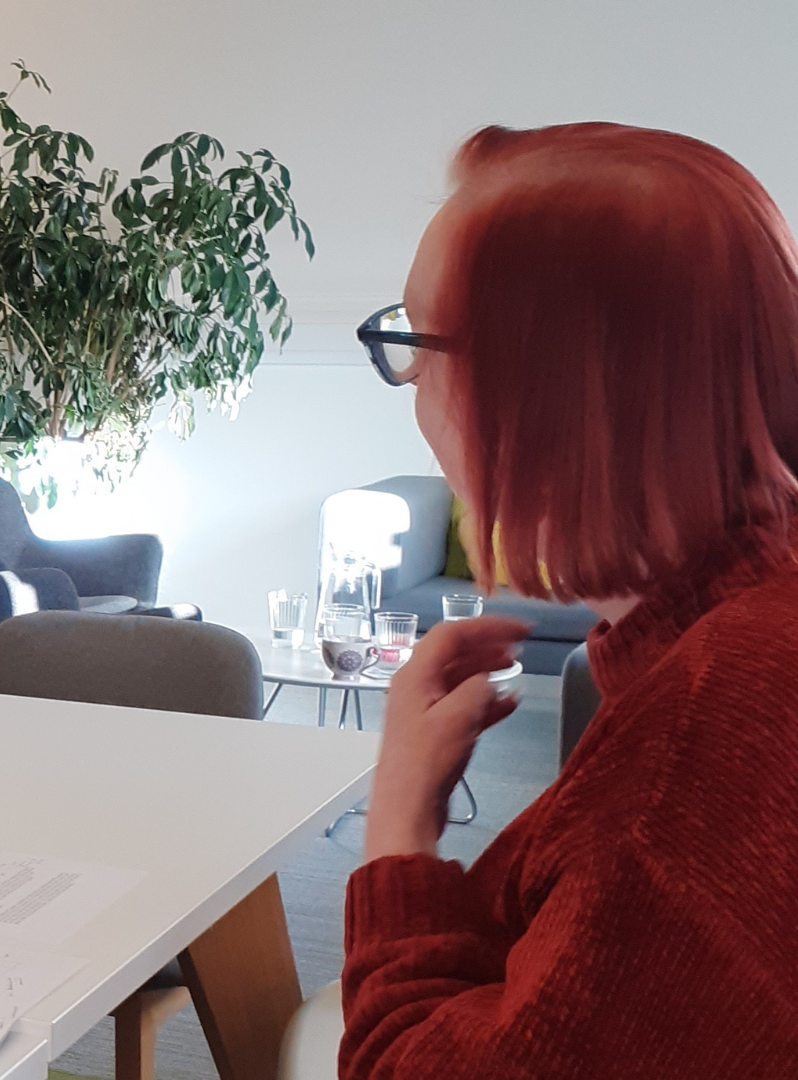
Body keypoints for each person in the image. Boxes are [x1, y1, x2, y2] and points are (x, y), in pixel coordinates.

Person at [328, 123, 798, 1077]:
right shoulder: (723, 643)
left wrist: (398, 830)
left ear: (541, 396)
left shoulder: (717, 729)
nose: (412, 389)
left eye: (417, 345)